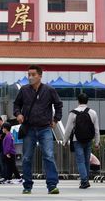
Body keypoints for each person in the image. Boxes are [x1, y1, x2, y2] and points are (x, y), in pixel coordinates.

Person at [13, 65, 63, 194]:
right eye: (28, 74)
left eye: (33, 74)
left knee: (49, 156)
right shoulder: (24, 90)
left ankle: (52, 185)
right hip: (29, 128)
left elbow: (58, 104)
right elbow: (16, 104)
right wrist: (18, 114)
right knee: (26, 158)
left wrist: (56, 120)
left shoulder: (49, 90)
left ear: (40, 75)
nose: (30, 77)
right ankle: (27, 185)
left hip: (45, 128)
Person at [63, 93, 100, 189]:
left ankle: (84, 181)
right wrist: (96, 142)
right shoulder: (92, 112)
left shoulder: (73, 113)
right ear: (87, 101)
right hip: (88, 140)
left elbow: (68, 129)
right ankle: (85, 180)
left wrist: (65, 141)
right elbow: (96, 129)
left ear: (78, 101)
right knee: (87, 161)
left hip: (77, 139)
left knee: (80, 161)